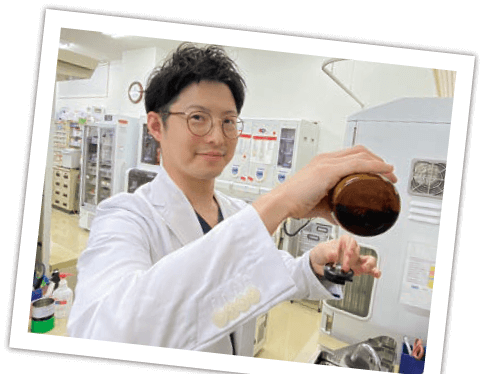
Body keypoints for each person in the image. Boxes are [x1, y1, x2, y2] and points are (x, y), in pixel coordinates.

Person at [67, 43, 397, 356]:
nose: (217, 136)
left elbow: (262, 275)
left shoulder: (235, 211)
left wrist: (313, 265)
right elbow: (103, 335)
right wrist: (280, 200)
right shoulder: (123, 217)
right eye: (198, 118)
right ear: (156, 125)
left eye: (228, 121)